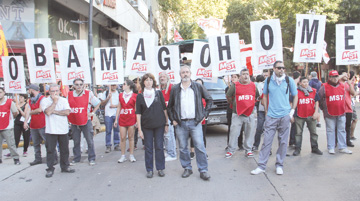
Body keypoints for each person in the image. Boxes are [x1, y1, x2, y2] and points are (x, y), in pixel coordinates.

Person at [251, 61, 298, 175]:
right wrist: (266, 110)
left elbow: (295, 95)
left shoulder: (289, 80)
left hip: (285, 115)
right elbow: (265, 96)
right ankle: (261, 166)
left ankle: (279, 164)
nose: (281, 70)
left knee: (283, 142)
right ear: (274, 69)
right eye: (279, 68)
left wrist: (292, 112)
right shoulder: (268, 81)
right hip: (271, 116)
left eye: (283, 68)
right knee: (267, 141)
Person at [167, 65, 213, 181]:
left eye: (187, 72)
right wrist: (173, 119)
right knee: (182, 148)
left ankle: (203, 170)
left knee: (200, 147)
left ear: (190, 73)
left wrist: (204, 115)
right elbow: (170, 107)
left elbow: (209, 100)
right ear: (180, 75)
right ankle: (187, 168)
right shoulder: (175, 89)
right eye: (183, 72)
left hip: (195, 122)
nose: (185, 74)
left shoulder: (198, 86)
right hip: (181, 124)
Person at [136, 73, 168, 178]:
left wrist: (167, 123)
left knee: (159, 147)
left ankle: (160, 168)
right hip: (146, 126)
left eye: (150, 80)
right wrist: (139, 130)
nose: (149, 82)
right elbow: (138, 114)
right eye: (146, 80)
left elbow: (164, 109)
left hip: (159, 125)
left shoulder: (158, 93)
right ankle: (149, 170)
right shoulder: (140, 96)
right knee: (148, 148)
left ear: (153, 82)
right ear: (143, 82)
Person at [41, 84, 75, 178]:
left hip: (63, 129)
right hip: (51, 130)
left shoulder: (64, 100)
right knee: (50, 150)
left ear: (59, 91)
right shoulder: (45, 101)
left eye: (56, 91)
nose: (55, 93)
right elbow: (47, 112)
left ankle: (65, 166)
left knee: (64, 150)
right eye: (52, 91)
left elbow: (67, 112)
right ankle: (50, 168)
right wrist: (55, 103)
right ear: (49, 92)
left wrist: (55, 112)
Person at [226, 69, 259, 158]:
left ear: (249, 75)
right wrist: (233, 103)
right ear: (240, 76)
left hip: (250, 113)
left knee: (249, 132)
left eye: (247, 74)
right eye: (243, 74)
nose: (245, 76)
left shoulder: (253, 86)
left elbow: (256, 96)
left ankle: (248, 149)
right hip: (237, 113)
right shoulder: (235, 85)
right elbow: (228, 95)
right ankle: (231, 150)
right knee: (234, 132)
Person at [319, 70, 352, 154]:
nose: (335, 78)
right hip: (329, 113)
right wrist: (323, 109)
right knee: (330, 130)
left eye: (336, 76)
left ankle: (342, 147)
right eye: (333, 77)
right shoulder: (324, 87)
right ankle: (331, 147)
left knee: (342, 130)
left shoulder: (342, 86)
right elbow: (319, 98)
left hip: (341, 112)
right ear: (329, 77)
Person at [68, 78, 100, 166]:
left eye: (80, 84)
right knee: (76, 141)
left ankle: (91, 158)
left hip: (86, 120)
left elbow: (97, 103)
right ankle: (76, 158)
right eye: (77, 84)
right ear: (74, 86)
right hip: (74, 121)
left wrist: (92, 113)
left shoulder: (88, 93)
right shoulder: (69, 94)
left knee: (89, 140)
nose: (79, 86)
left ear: (83, 85)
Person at [24, 84, 56, 166]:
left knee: (48, 142)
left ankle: (53, 158)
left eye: (29, 90)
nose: (28, 91)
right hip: (34, 124)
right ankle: (37, 158)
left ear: (32, 90)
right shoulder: (31, 100)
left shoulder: (42, 99)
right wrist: (25, 122)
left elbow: (40, 110)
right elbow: (28, 111)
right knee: (35, 144)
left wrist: (30, 113)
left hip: (42, 124)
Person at [292, 77, 323, 156]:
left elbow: (316, 102)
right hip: (299, 115)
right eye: (304, 82)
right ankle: (297, 149)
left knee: (314, 132)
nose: (306, 83)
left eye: (307, 82)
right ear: (300, 83)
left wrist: (316, 112)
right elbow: (292, 103)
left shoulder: (313, 91)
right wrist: (291, 115)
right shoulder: (296, 92)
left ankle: (315, 148)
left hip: (311, 115)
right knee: (298, 133)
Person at [114, 80, 137, 163]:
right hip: (123, 118)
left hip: (131, 117)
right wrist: (116, 119)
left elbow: (136, 109)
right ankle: (123, 155)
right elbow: (119, 107)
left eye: (124, 84)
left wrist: (137, 121)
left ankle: (131, 155)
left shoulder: (135, 96)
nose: (122, 86)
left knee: (131, 137)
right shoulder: (120, 95)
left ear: (129, 86)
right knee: (122, 137)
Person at [159, 72, 177, 161]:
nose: (162, 78)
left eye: (164, 76)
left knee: (169, 135)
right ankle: (168, 151)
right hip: (161, 116)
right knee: (164, 135)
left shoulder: (171, 87)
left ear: (167, 78)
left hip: (169, 115)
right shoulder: (159, 89)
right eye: (161, 77)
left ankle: (172, 154)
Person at [0, 87, 20, 165]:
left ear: (4, 93)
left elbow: (15, 112)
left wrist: (11, 119)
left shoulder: (9, 102)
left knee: (11, 144)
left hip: (7, 126)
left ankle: (16, 158)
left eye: (0, 92)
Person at [99, 84, 120, 153]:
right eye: (112, 85)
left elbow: (121, 104)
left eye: (114, 85)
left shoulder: (119, 93)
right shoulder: (106, 93)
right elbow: (102, 103)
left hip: (116, 114)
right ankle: (108, 145)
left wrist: (115, 106)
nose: (113, 86)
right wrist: (108, 98)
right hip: (108, 114)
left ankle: (116, 144)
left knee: (116, 130)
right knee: (108, 130)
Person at [190, 78, 208, 159]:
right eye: (197, 83)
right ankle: (192, 151)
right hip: (194, 118)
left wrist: (205, 114)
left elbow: (209, 104)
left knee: (202, 135)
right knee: (193, 135)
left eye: (200, 83)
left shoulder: (205, 95)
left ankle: (204, 151)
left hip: (203, 119)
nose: (198, 85)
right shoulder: (191, 94)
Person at [225, 74, 243, 151]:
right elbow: (228, 96)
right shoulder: (227, 88)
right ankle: (229, 144)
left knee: (240, 127)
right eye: (232, 77)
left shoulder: (241, 87)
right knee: (230, 127)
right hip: (230, 110)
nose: (233, 78)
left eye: (235, 77)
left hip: (239, 110)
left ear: (238, 78)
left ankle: (240, 144)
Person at [338, 70, 356, 147]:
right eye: (345, 75)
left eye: (347, 75)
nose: (346, 76)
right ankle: (338, 141)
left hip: (348, 108)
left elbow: (353, 93)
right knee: (339, 127)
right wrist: (342, 75)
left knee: (347, 126)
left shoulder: (348, 84)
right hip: (339, 108)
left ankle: (347, 140)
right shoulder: (337, 83)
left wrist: (350, 84)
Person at [252, 74, 266, 152]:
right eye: (265, 75)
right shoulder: (260, 85)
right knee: (259, 128)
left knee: (269, 130)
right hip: (261, 110)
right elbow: (257, 96)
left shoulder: (274, 84)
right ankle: (256, 145)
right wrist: (262, 96)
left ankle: (268, 147)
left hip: (271, 111)